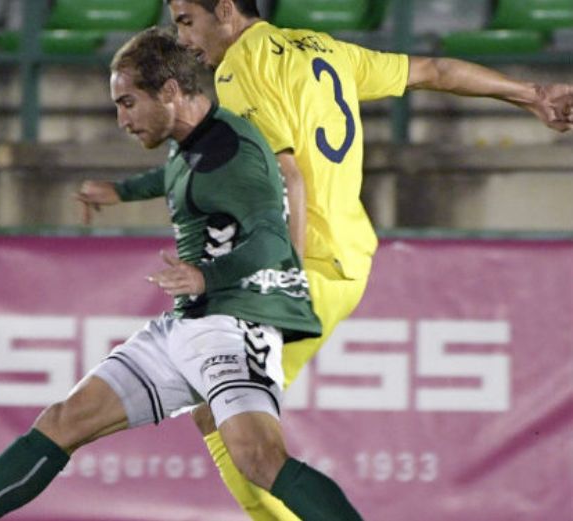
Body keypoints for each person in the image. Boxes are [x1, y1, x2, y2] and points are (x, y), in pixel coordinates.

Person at [0, 27, 370, 521]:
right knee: (66, 419)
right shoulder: (195, 138)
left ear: (170, 91)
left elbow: (270, 240)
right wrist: (121, 192)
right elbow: (175, 178)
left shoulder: (232, 153)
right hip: (189, 324)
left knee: (260, 460)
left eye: (128, 102)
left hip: (238, 324)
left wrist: (205, 277)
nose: (122, 119)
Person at [158, 1, 573, 520]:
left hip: (309, 261)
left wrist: (281, 278)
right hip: (350, 253)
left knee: (218, 411)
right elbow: (434, 70)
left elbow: (288, 176)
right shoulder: (323, 48)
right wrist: (530, 94)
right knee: (220, 408)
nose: (181, 36)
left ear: (224, 10)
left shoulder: (242, 70)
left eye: (185, 19)